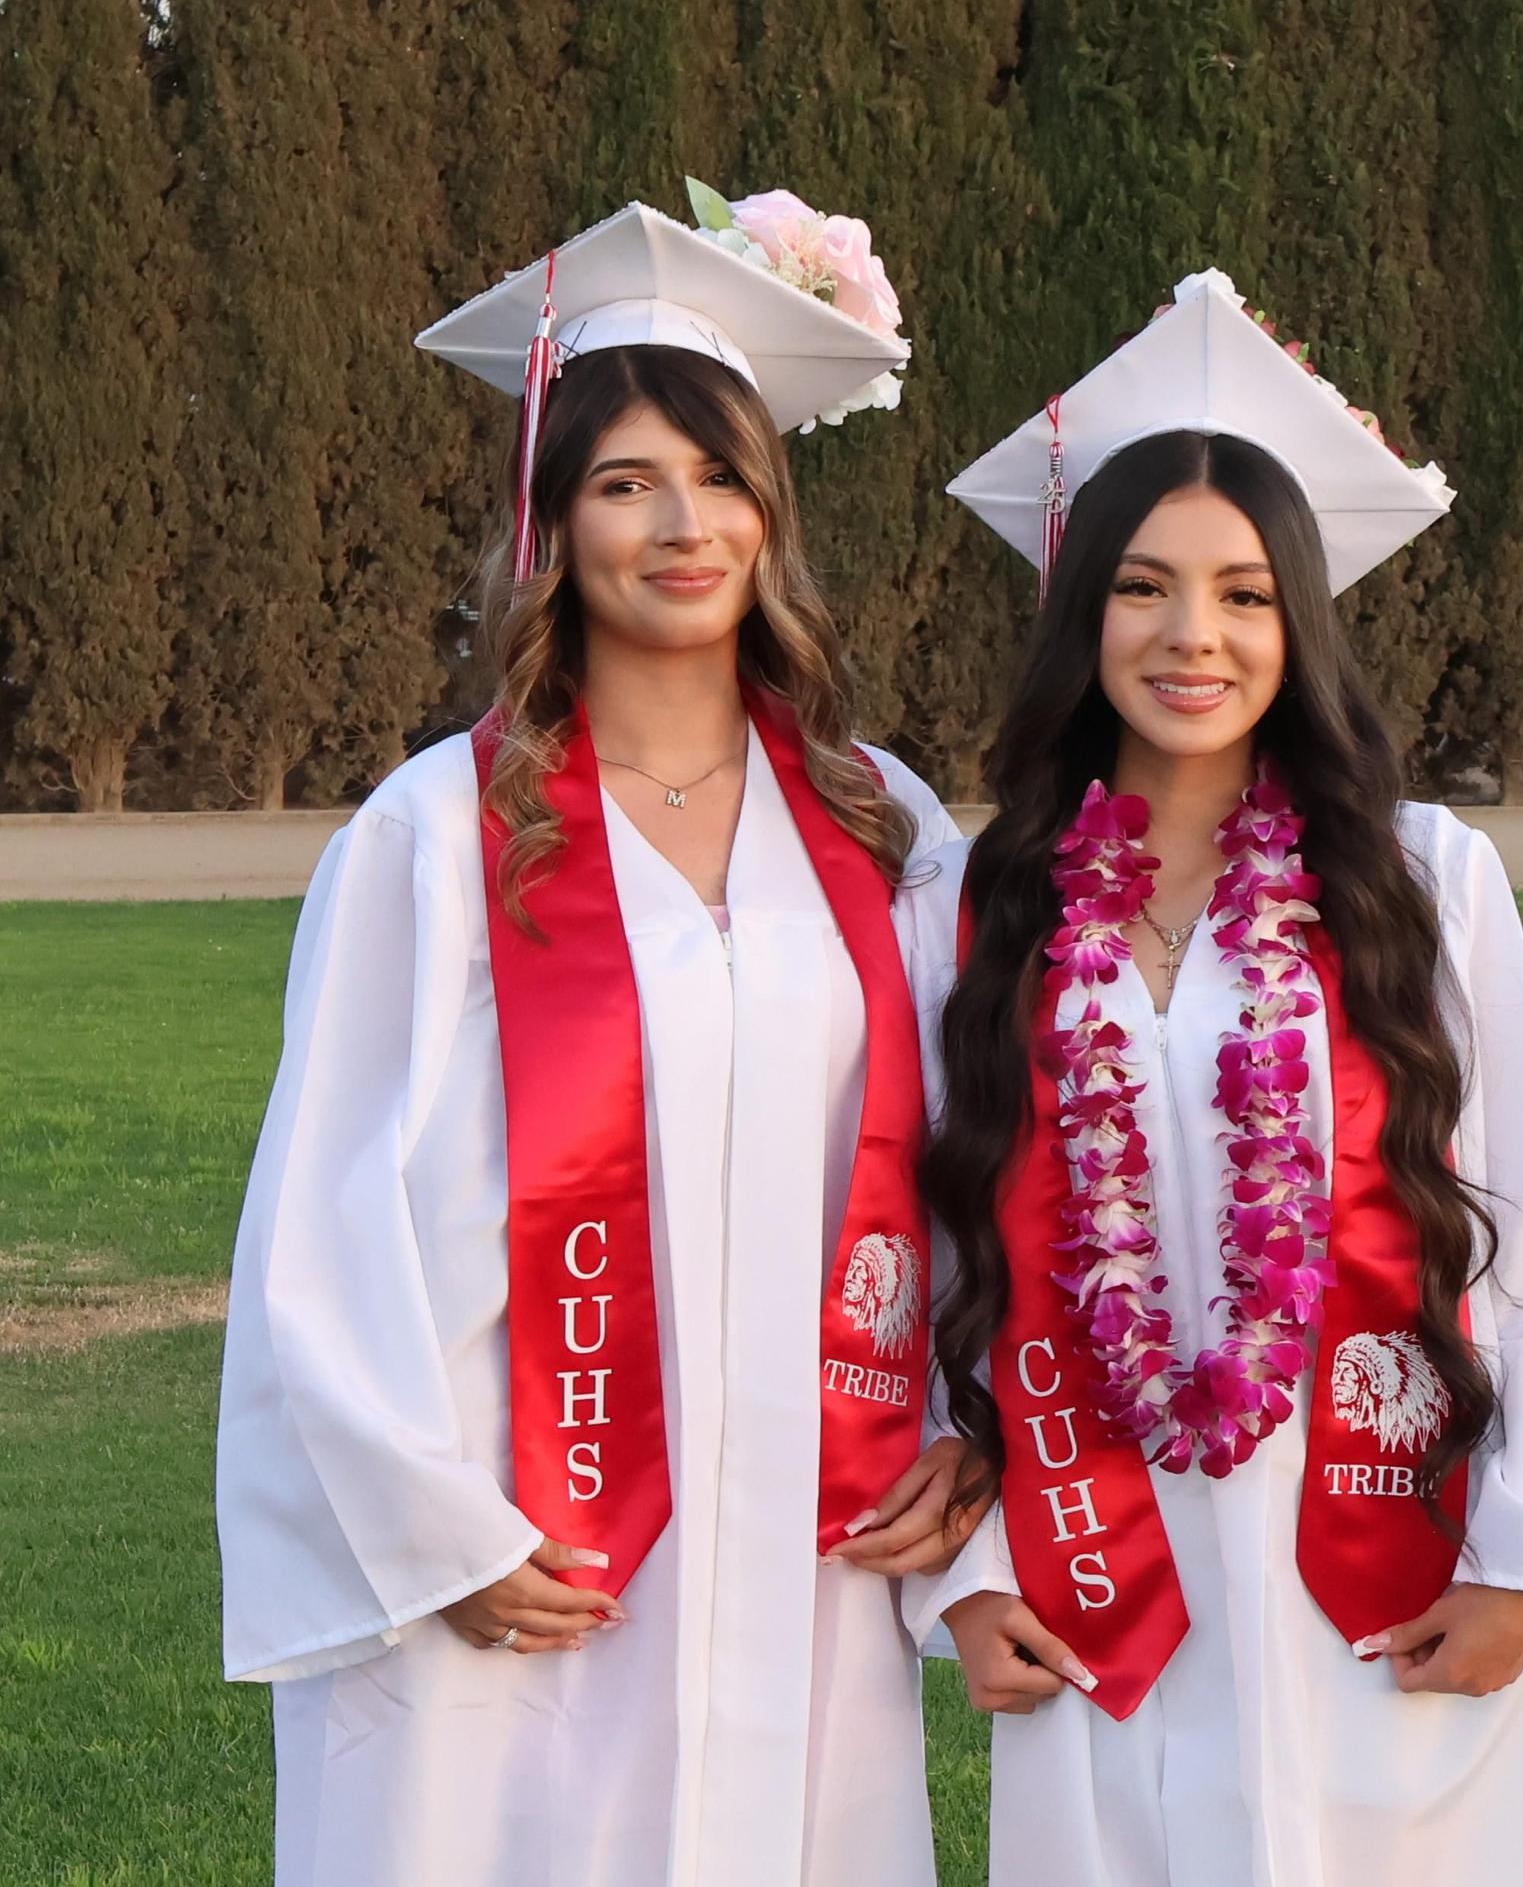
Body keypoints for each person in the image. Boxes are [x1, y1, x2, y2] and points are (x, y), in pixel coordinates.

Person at [897, 269, 1523, 1887]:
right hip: (1112, 1581)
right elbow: (945, 1242)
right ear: (1084, 616)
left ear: (1302, 619)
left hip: (1394, 1554)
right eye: (1142, 588)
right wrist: (971, 1574)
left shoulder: (1419, 880)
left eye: (1245, 592)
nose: (1191, 636)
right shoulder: (974, 902)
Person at [217, 189, 974, 1887]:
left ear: (774, 522)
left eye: (722, 480)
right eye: (628, 482)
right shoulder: (432, 838)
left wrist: (970, 1409)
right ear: (552, 527)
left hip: (801, 1526)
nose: (683, 524)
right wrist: (430, 1537)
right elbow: (318, 1226)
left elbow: (977, 1160)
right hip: (524, 1534)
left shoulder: (882, 823)